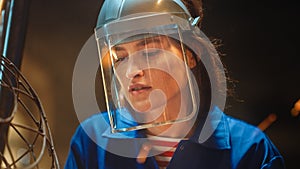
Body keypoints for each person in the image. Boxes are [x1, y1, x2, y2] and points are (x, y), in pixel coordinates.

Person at [65, 0, 285, 168]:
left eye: (149, 51)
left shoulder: (250, 150)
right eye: (120, 58)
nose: (131, 71)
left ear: (191, 54)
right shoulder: (91, 141)